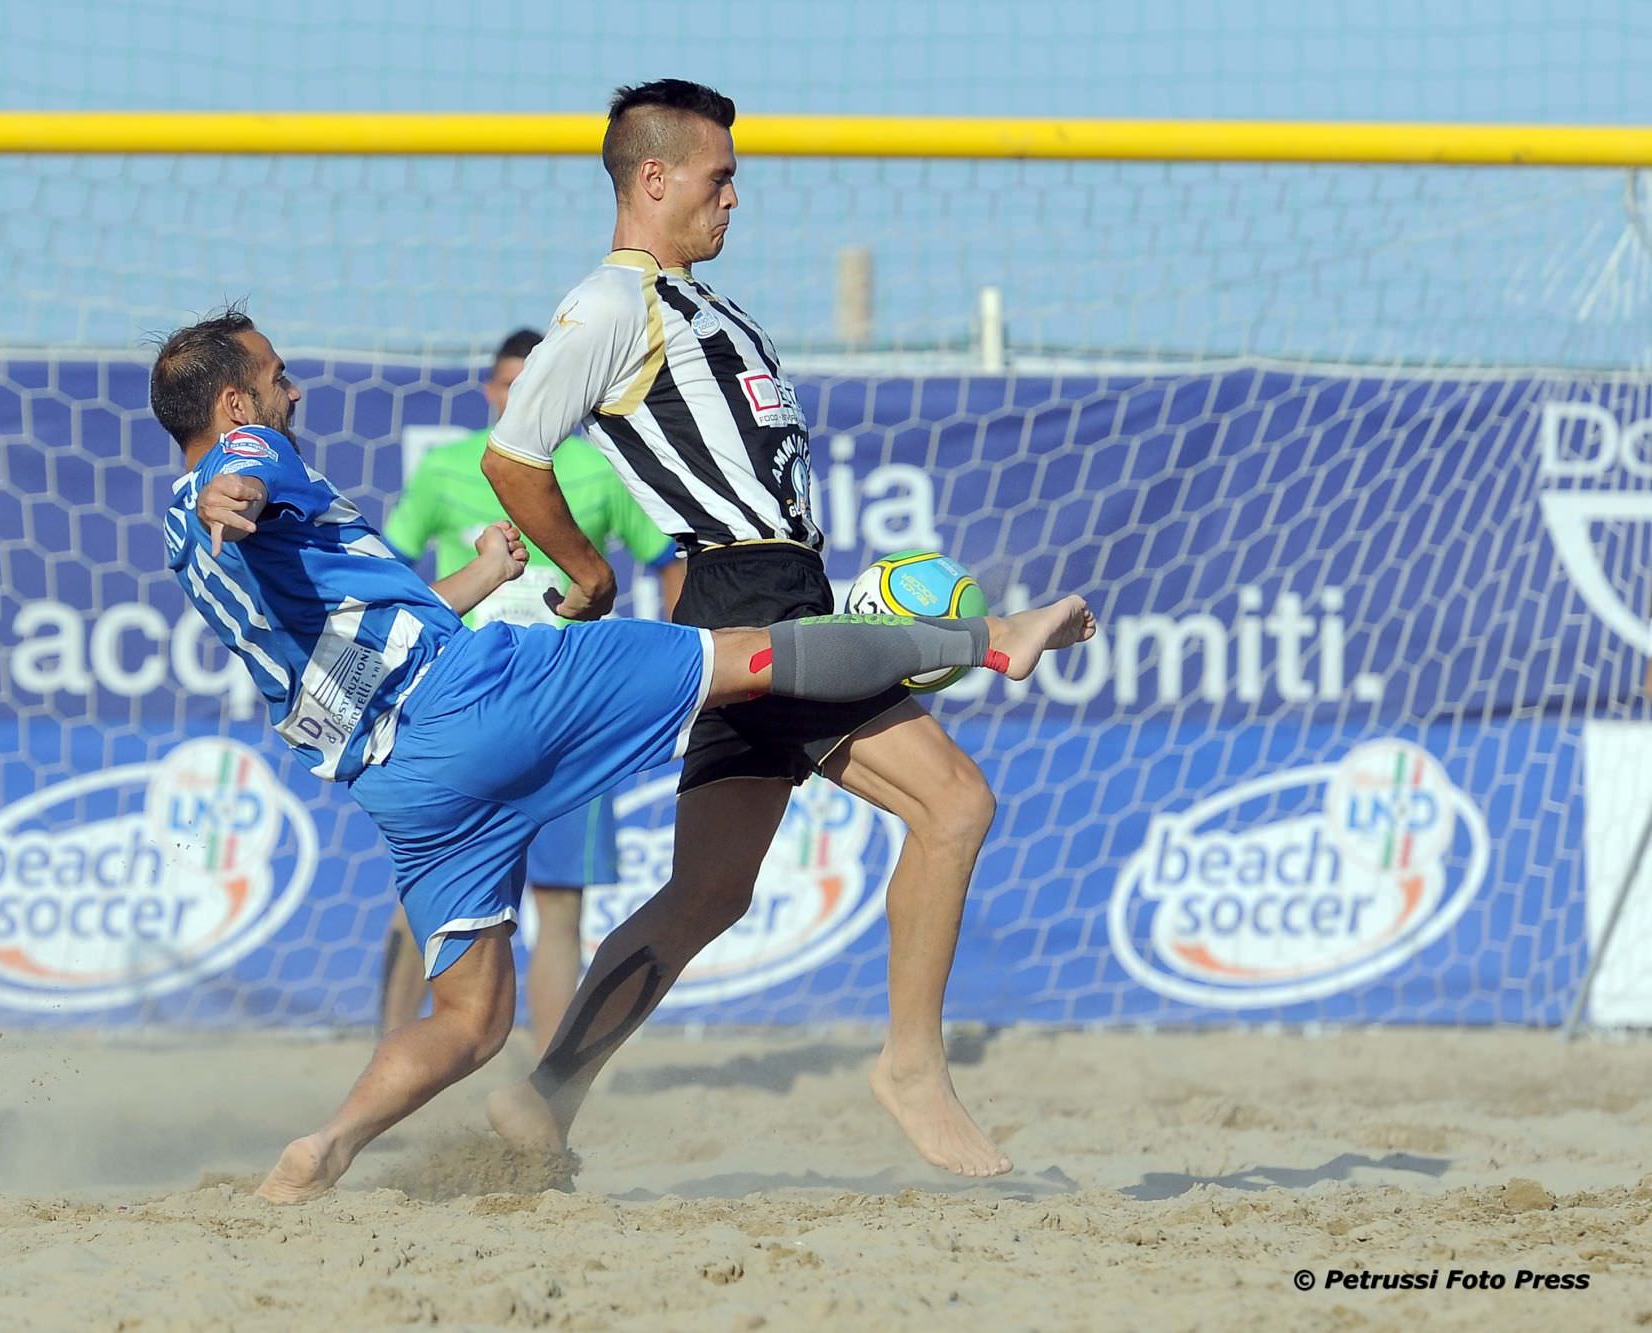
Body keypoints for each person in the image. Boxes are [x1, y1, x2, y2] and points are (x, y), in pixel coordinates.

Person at [156, 308, 1095, 1201]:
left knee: (474, 1020)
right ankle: (994, 639)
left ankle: (324, 1146)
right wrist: (232, 491)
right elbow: (239, 475)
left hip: (402, 781)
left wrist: (483, 572)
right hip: (476, 698)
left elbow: (356, 622)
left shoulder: (183, 539)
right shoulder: (248, 459)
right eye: (279, 378)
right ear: (235, 405)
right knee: (754, 656)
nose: (296, 392)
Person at [478, 79, 1028, 1179]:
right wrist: (584, 569)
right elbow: (513, 454)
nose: (735, 198)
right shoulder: (609, 303)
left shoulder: (708, 307)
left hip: (776, 593)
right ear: (653, 178)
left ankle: (543, 1101)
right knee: (954, 803)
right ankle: (911, 1066)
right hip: (748, 604)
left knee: (710, 891)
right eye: (719, 176)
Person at [376, 328, 684, 1050]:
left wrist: (678, 640)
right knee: (419, 901)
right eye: (506, 385)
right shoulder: (448, 469)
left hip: (570, 711)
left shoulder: (600, 471)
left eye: (531, 384)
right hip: (465, 706)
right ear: (489, 390)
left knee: (560, 907)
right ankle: (387, 1049)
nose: (516, 398)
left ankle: (546, 1079)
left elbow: (666, 558)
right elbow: (389, 573)